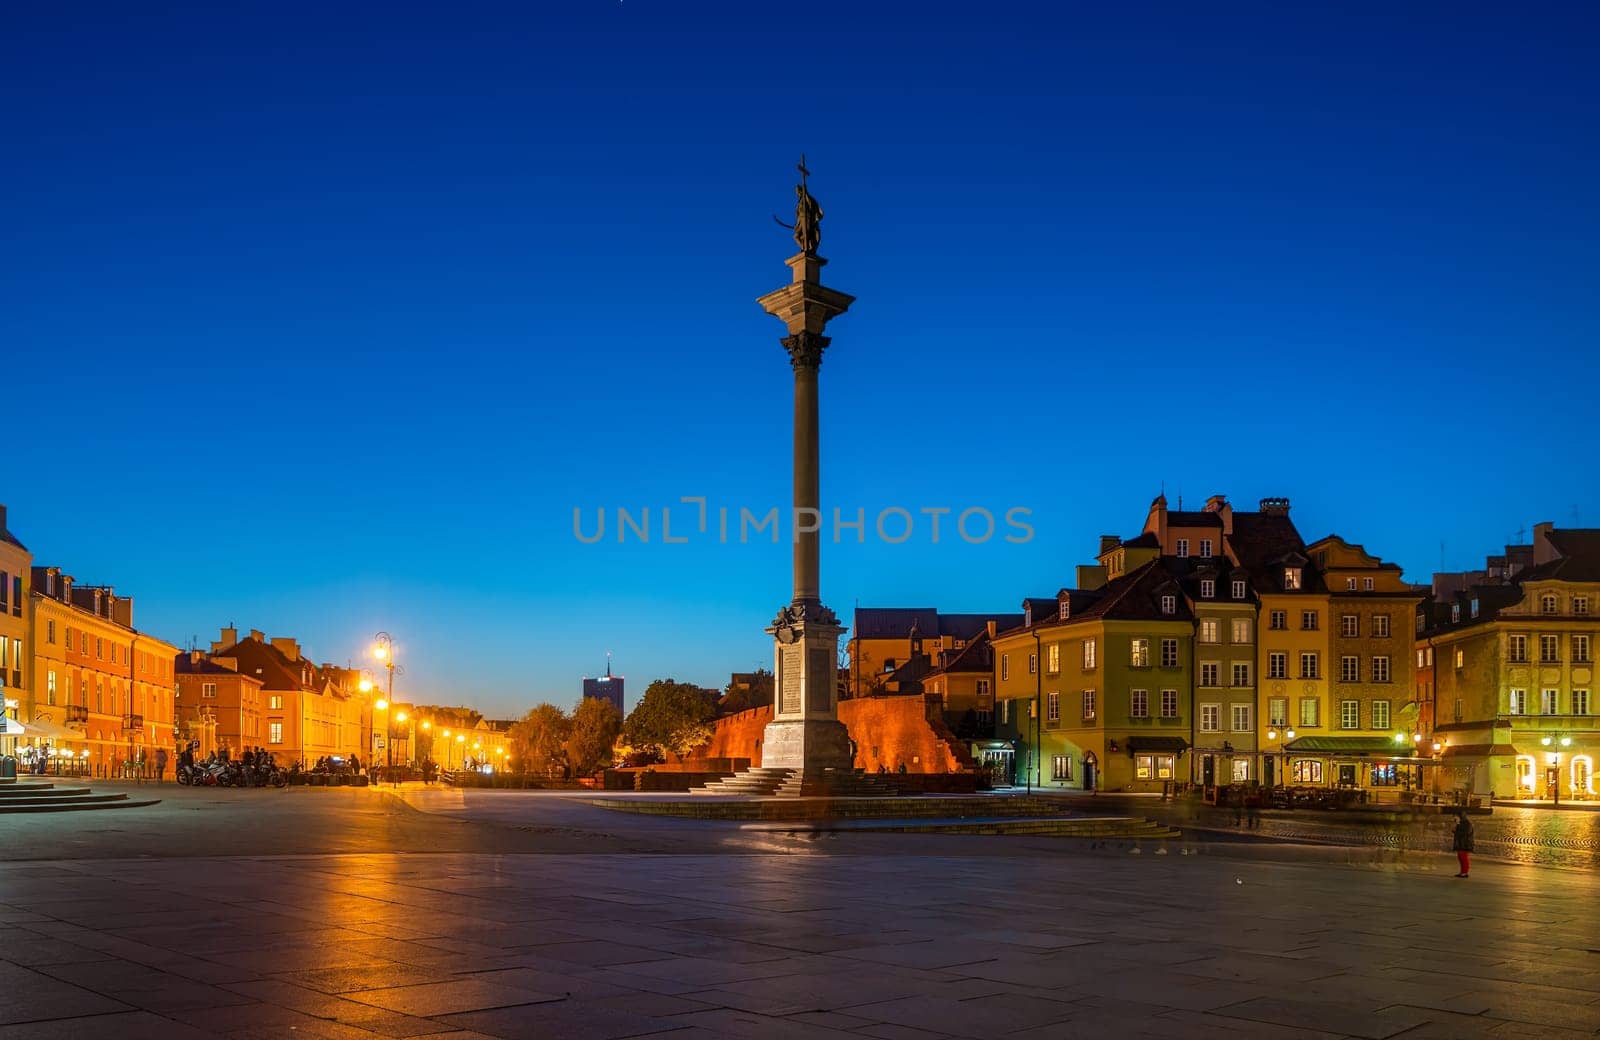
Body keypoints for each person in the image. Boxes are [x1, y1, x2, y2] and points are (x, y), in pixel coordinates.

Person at [1452, 810, 1474, 877]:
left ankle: (1464, 872)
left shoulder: (1466, 823)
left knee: (1463, 857)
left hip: (1465, 843)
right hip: (1461, 843)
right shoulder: (1460, 823)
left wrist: (1456, 831)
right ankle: (1462, 872)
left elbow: (1466, 833)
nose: (1454, 818)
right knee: (1460, 857)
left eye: (1456, 816)